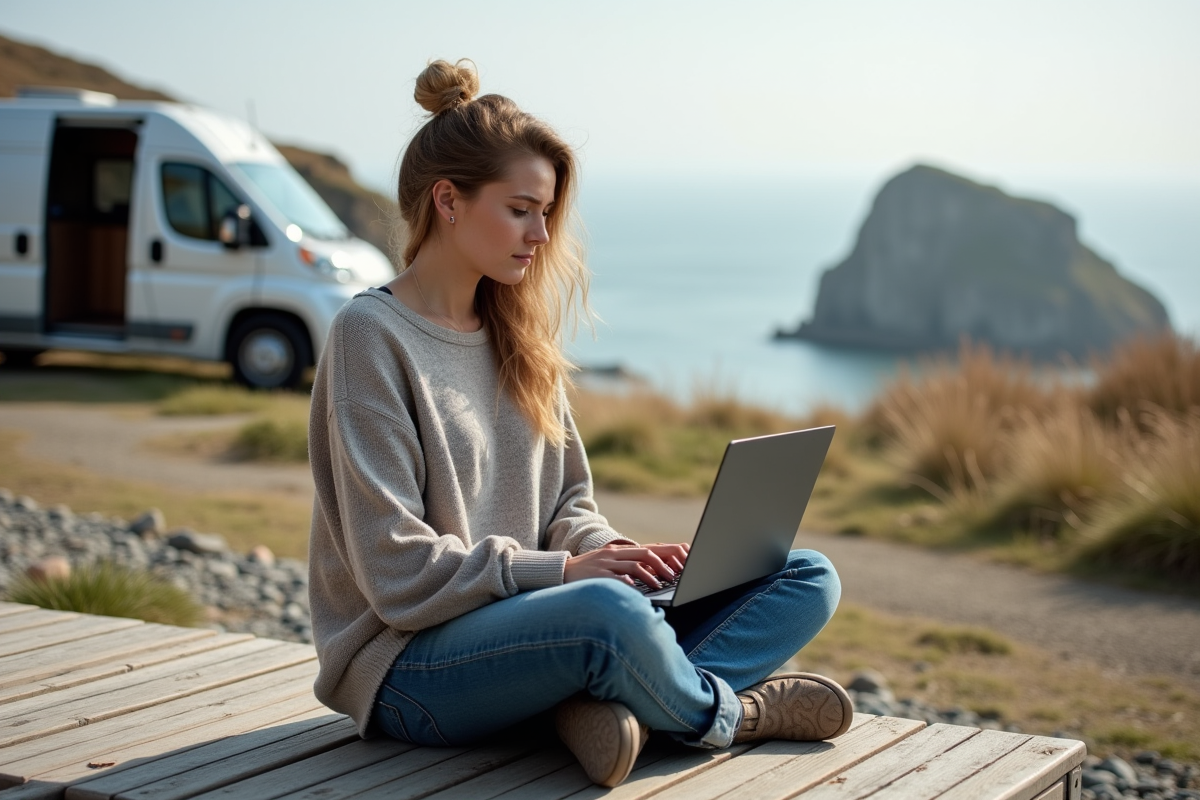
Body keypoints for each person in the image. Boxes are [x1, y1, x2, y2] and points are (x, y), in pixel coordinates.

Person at [307, 59, 852, 789]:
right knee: (600, 613)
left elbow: (569, 505)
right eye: (521, 208)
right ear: (448, 200)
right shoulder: (369, 335)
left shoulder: (516, 333)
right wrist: (567, 575)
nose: (539, 234)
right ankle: (724, 717)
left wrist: (619, 556)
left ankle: (599, 705)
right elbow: (397, 574)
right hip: (410, 669)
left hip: (546, 624)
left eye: (547, 213)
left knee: (804, 575)